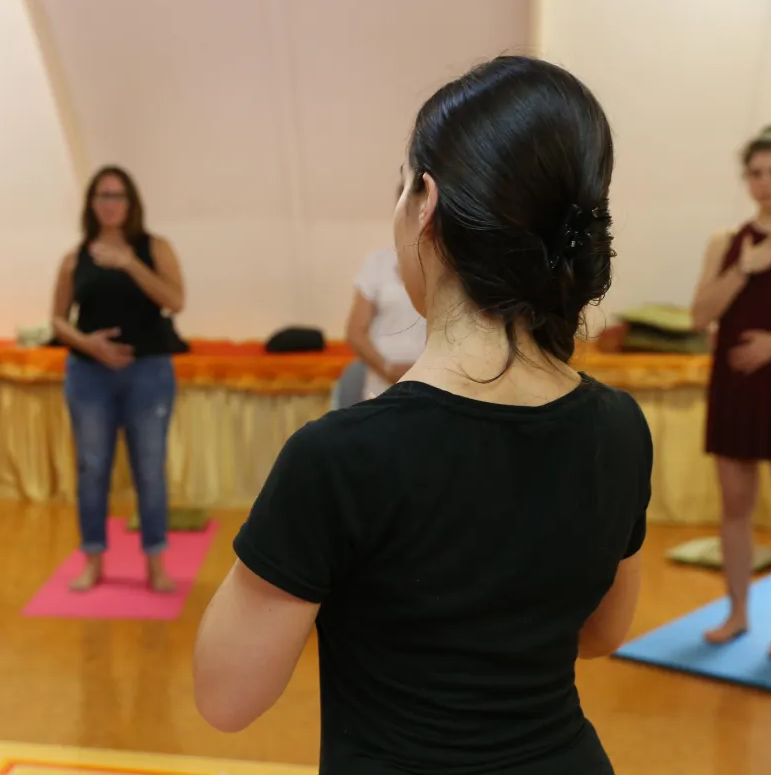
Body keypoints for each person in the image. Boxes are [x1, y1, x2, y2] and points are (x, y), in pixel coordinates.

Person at [193, 56, 652, 774]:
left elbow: (226, 698)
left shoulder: (342, 456)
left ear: (425, 203)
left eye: (402, 186)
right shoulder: (620, 427)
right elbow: (603, 632)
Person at [50, 165, 185, 593]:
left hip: (149, 373)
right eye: (103, 196)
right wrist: (91, 346)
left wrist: (129, 262)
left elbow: (175, 300)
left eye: (118, 196)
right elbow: (57, 321)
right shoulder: (75, 258)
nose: (111, 204)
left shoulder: (154, 247)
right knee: (91, 469)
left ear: (132, 203)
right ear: (92, 204)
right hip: (89, 375)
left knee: (149, 469)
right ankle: (93, 559)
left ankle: (156, 563)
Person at [691, 125, 771, 657]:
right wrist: (744, 270)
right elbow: (700, 315)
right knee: (735, 505)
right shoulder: (726, 242)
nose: (764, 182)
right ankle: (736, 612)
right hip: (736, 382)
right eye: (755, 173)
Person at [345, 247, 427, 400]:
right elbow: (355, 332)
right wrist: (386, 369)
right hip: (382, 382)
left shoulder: (447, 263)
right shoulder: (378, 263)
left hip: (433, 384)